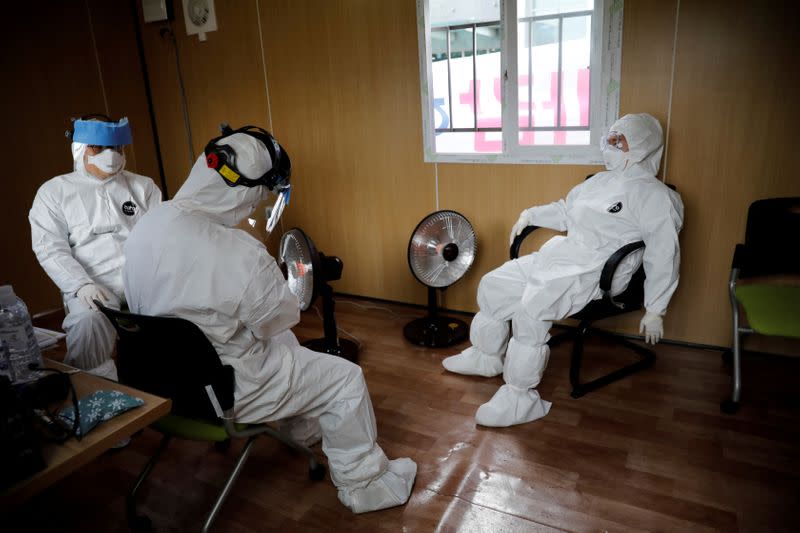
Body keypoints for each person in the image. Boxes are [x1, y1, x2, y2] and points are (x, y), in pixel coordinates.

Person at [122, 125, 417, 513]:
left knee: (283, 347)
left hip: (160, 378)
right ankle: (366, 484)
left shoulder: (149, 223)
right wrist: (269, 279)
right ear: (246, 192)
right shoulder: (237, 251)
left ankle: (304, 426)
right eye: (260, 196)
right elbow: (281, 318)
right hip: (224, 389)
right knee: (346, 379)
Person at [442, 113, 684, 427]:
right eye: (610, 137)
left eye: (618, 140)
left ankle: (519, 396)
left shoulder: (656, 196)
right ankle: (486, 356)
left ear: (642, 146)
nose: (609, 144)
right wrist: (531, 214)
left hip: (599, 271)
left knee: (532, 307)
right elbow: (567, 212)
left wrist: (655, 309)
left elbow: (664, 254)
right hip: (562, 255)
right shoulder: (598, 181)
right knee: (494, 284)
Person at [29, 115, 162, 379]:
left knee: (180, 317)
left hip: (144, 281)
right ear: (80, 148)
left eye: (116, 148)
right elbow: (49, 248)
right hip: (93, 284)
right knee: (88, 323)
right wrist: (80, 284)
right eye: (98, 148)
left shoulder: (142, 186)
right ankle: (94, 386)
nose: (110, 155)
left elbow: (162, 237)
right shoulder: (54, 192)